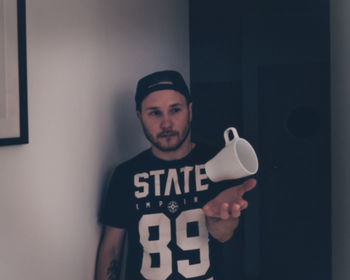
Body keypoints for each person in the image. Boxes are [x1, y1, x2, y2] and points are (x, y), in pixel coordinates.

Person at [95, 70, 257, 280]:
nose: (166, 124)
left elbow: (223, 235)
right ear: (139, 116)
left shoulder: (219, 163)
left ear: (190, 111)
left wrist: (219, 219)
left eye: (175, 110)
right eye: (154, 112)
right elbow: (111, 249)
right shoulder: (126, 175)